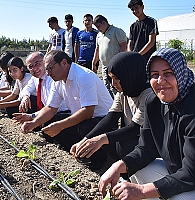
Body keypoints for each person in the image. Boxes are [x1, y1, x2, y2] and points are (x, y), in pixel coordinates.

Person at [99, 48, 195, 199]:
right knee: (136, 168)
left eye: (168, 73)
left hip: (191, 177)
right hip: (179, 172)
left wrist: (142, 191)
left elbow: (191, 173)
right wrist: (118, 165)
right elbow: (146, 148)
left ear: (180, 72)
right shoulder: (154, 103)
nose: (161, 81)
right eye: (155, 75)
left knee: (178, 197)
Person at [21, 51, 113, 169]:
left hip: (102, 120)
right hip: (83, 117)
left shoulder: (83, 76)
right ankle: (74, 149)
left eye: (50, 68)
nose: (48, 74)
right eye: (47, 69)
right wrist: (34, 123)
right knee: (50, 121)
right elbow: (50, 108)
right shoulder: (58, 81)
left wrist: (60, 125)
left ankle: (99, 158)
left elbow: (88, 112)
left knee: (83, 126)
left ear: (64, 63)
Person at [70, 52, 153, 168]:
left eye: (117, 79)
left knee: (124, 144)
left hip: (148, 144)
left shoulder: (149, 96)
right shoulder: (123, 92)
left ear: (130, 75)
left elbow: (134, 129)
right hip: (132, 137)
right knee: (91, 128)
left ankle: (132, 171)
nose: (113, 84)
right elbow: (110, 119)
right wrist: (86, 140)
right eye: (111, 78)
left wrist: (101, 139)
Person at [13, 52, 67, 125]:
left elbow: (53, 108)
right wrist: (25, 97)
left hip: (61, 111)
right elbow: (27, 89)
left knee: (47, 122)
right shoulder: (35, 78)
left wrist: (32, 117)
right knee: (27, 102)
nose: (35, 69)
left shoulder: (52, 78)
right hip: (49, 109)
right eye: (31, 66)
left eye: (37, 64)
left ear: (44, 62)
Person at [92, 15, 127, 98]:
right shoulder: (99, 35)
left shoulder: (117, 31)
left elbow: (124, 46)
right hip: (104, 66)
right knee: (107, 87)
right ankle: (111, 106)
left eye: (98, 26)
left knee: (116, 87)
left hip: (115, 66)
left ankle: (120, 106)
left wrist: (118, 61)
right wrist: (94, 63)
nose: (98, 29)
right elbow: (97, 49)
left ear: (104, 22)